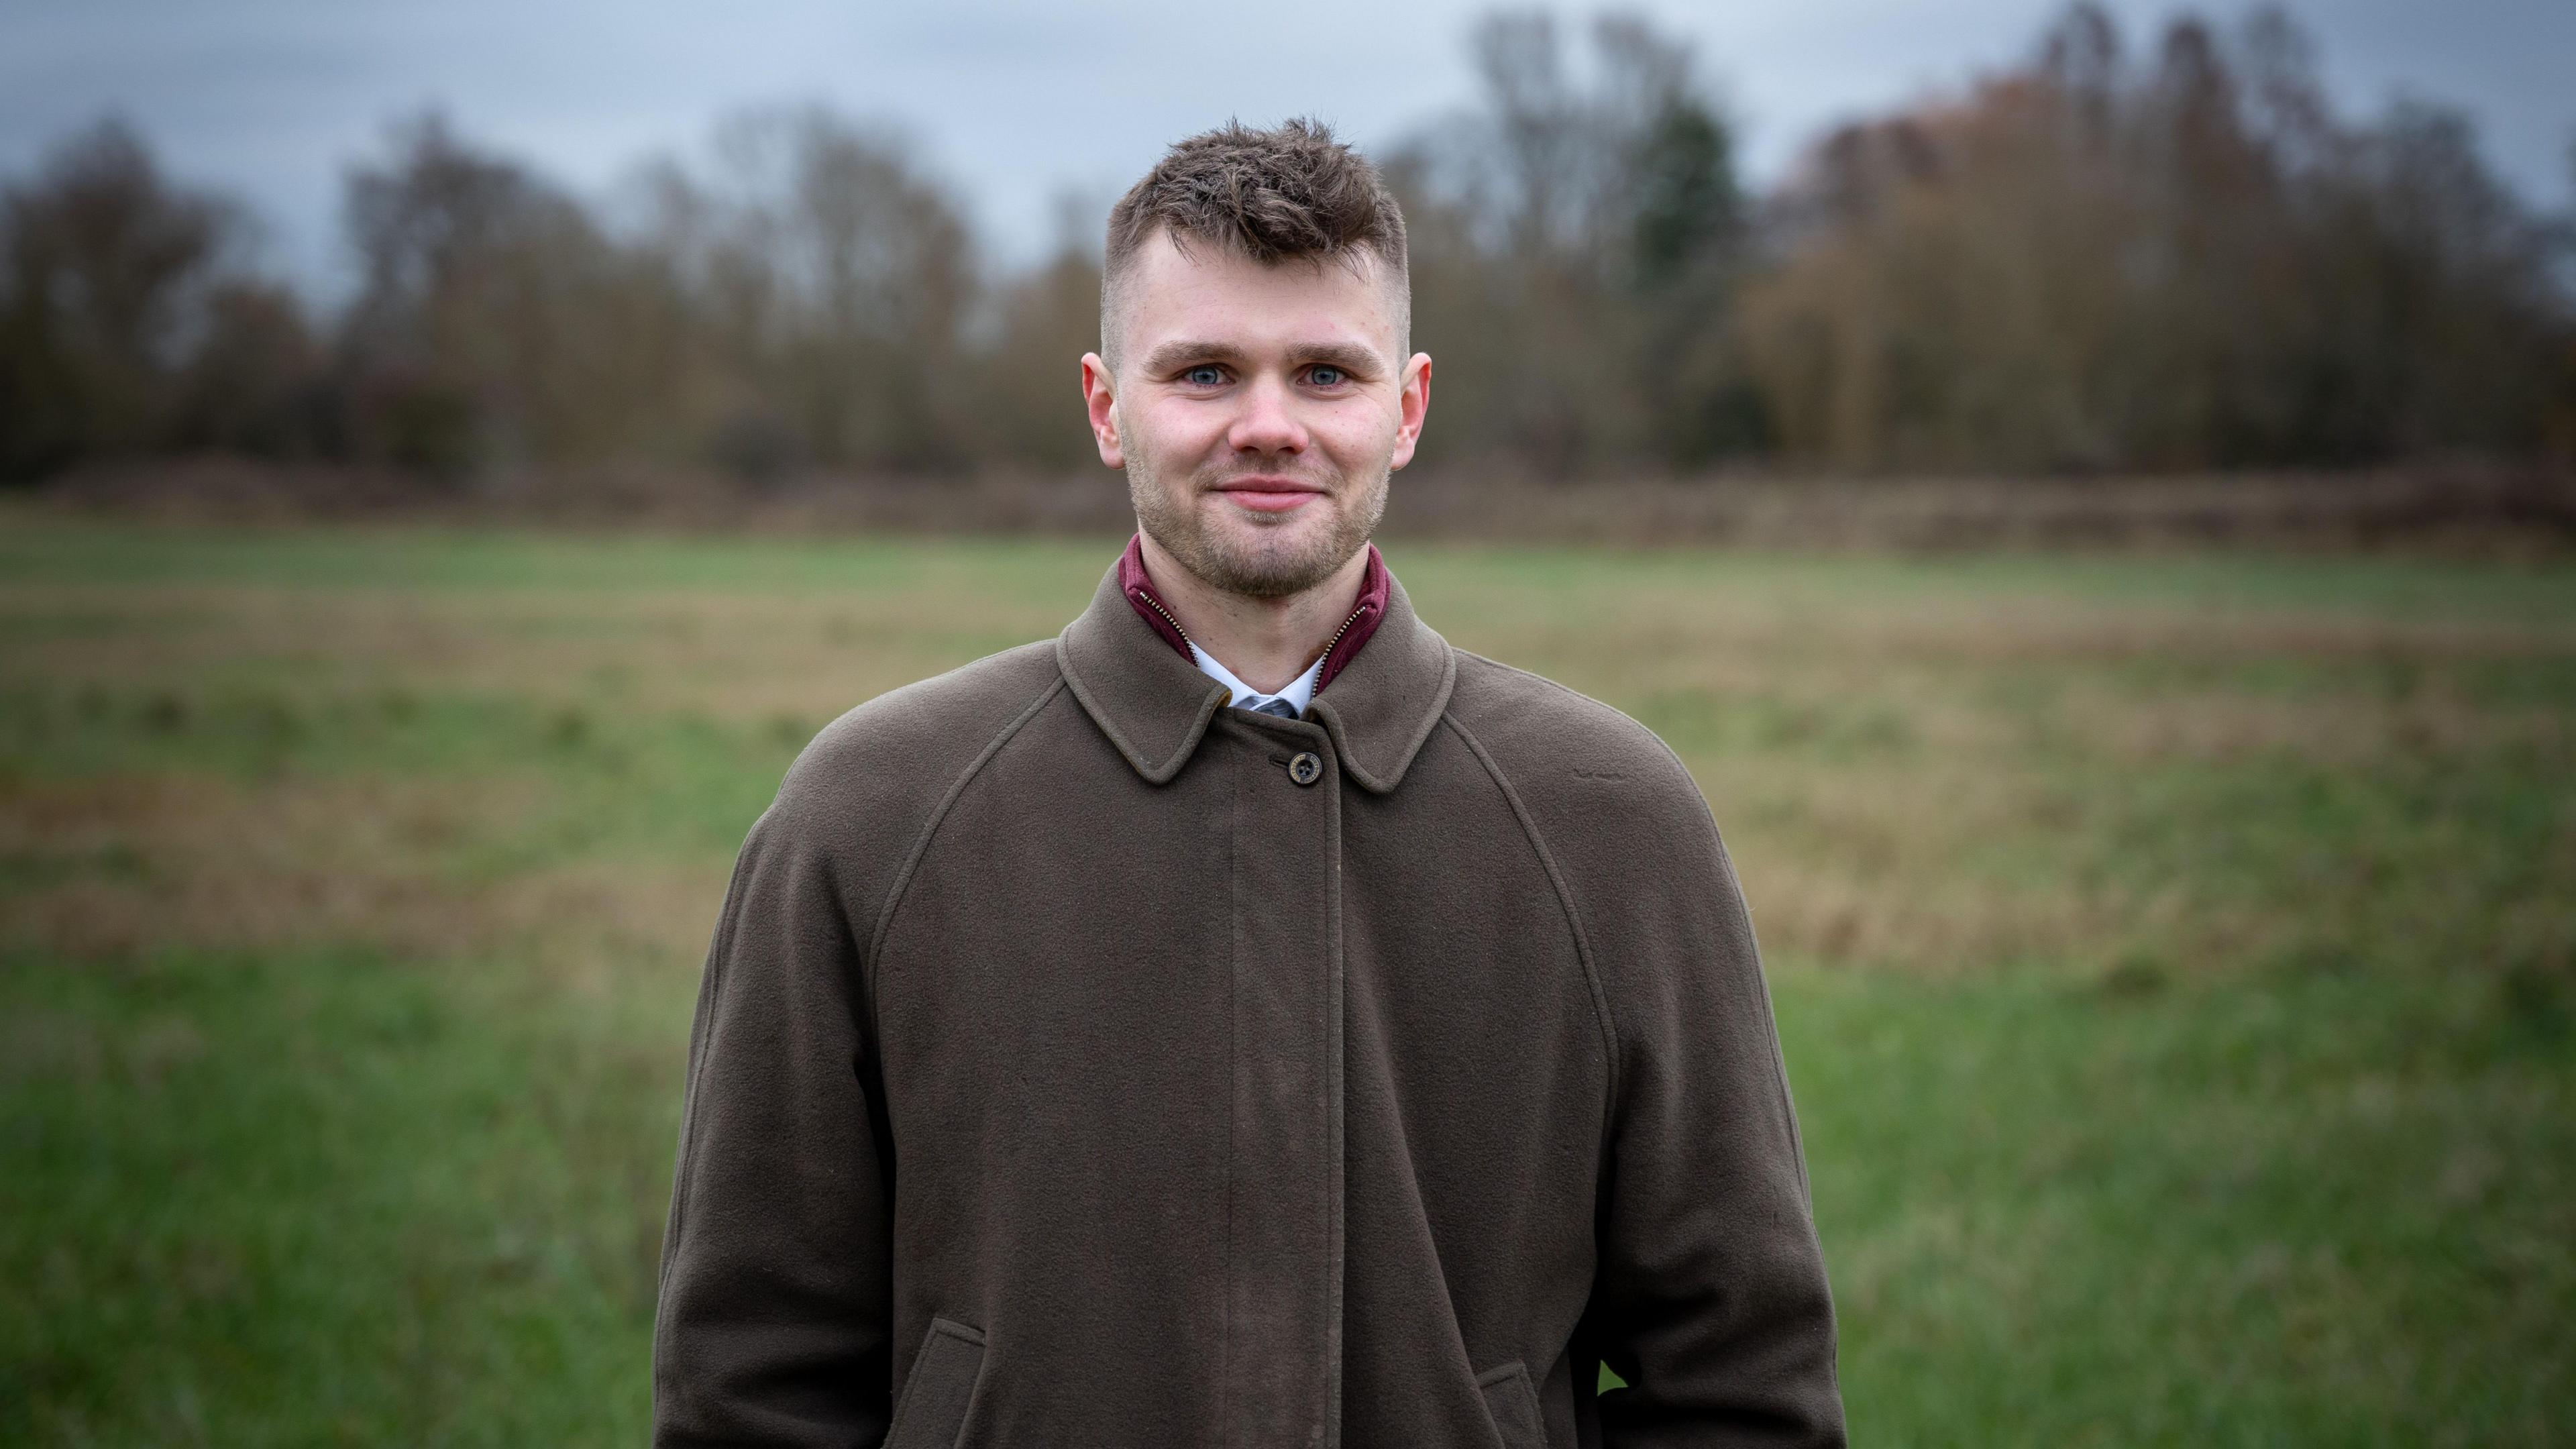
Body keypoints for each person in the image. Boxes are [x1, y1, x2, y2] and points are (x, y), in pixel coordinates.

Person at [652, 119, 1843, 1449]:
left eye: (1326, 373)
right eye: (1206, 371)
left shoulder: (1618, 823)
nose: (1267, 426)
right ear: (1109, 407)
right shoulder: (866, 819)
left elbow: (1740, 1384)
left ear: (1409, 407)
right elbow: (749, 1383)